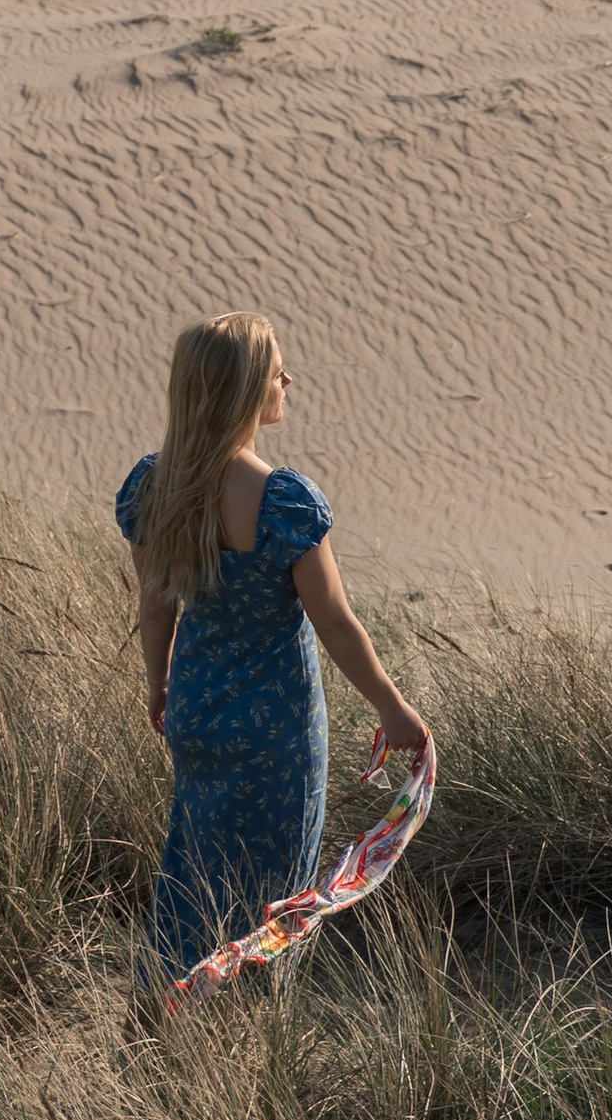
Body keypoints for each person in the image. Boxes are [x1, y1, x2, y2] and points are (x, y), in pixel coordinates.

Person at [117, 313, 431, 991]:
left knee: (192, 875)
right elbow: (337, 625)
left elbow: (153, 606)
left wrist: (159, 685)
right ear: (241, 392)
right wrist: (393, 709)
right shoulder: (283, 502)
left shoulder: (155, 488)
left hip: (196, 716)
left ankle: (154, 1017)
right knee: (271, 898)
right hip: (277, 735)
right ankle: (246, 1036)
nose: (288, 379)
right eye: (275, 369)